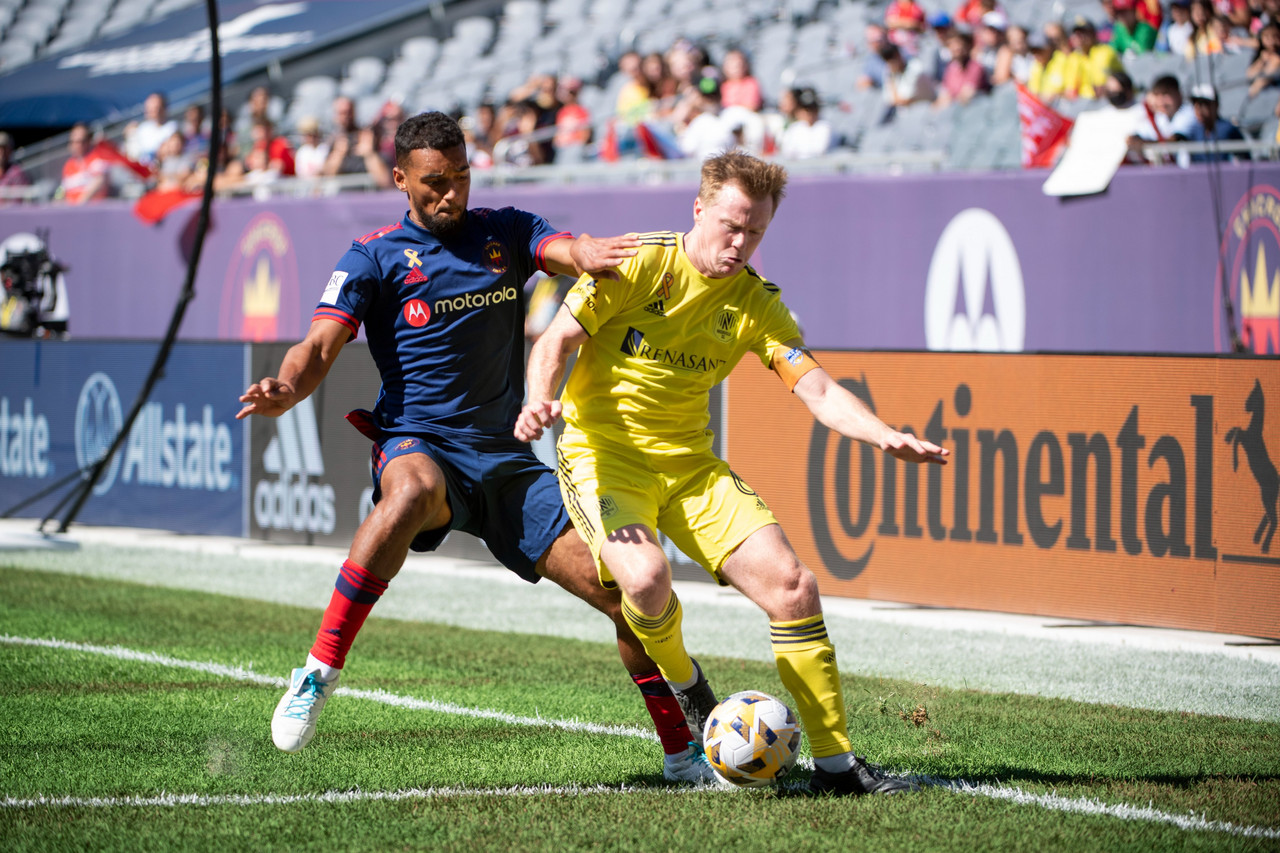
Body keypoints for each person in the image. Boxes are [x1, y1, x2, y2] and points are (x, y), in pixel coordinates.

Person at [237, 111, 716, 785]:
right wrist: (288, 386)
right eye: (435, 182)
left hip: (510, 464)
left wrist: (590, 254)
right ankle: (318, 670)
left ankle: (681, 753)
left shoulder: (506, 231)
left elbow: (564, 251)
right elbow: (318, 345)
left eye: (461, 177)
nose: (452, 194)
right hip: (420, 443)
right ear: (400, 178)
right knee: (410, 492)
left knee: (624, 590)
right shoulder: (371, 255)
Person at [515, 150, 949, 797]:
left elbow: (820, 389)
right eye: (730, 225)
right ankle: (690, 687)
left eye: (756, 232)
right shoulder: (636, 263)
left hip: (691, 467)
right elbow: (556, 342)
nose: (740, 243)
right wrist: (537, 400)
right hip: (602, 457)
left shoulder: (755, 301)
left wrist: (882, 432)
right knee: (646, 577)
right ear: (699, 208)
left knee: (795, 587)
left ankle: (837, 766)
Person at [1185, 83, 1247, 161]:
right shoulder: (1193, 132)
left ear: (1216, 105)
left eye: (1204, 103)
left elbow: (1244, 160)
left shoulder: (1228, 129)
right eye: (1195, 103)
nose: (1198, 108)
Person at [59, 123, 109, 204]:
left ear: (89, 141)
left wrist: (80, 203)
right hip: (70, 209)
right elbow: (62, 189)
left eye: (81, 141)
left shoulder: (97, 159)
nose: (77, 145)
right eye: (73, 142)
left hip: (91, 210)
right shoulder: (69, 164)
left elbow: (100, 181)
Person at [778, 87, 833, 159]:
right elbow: (787, 151)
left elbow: (819, 150)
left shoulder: (825, 127)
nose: (809, 114)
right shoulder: (794, 128)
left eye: (812, 109)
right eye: (806, 110)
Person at [125, 91, 178, 166]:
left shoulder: (172, 127)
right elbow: (133, 154)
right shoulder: (142, 128)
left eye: (156, 108)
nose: (152, 111)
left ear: (163, 108)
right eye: (149, 108)